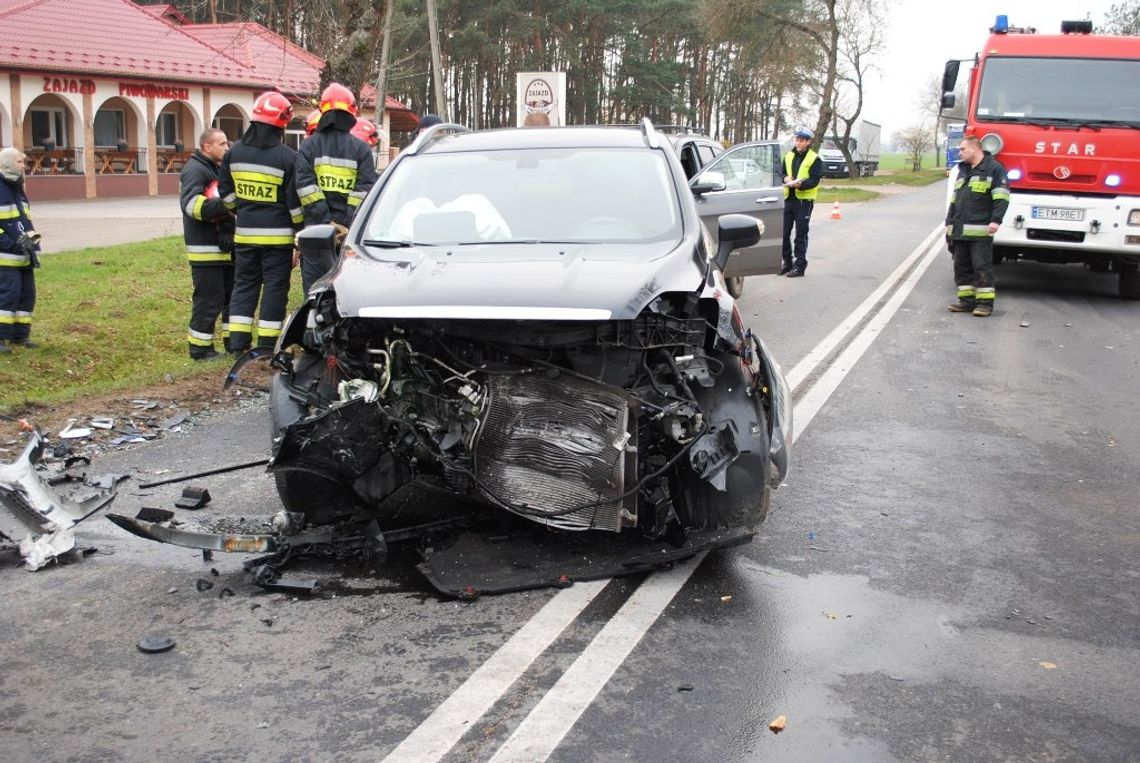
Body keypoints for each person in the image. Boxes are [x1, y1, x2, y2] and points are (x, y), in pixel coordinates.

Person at [219, 91, 303, 353]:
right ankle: (267, 346)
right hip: (277, 240)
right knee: (275, 289)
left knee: (244, 286)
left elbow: (226, 194)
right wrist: (299, 233)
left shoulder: (234, 153)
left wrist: (241, 210)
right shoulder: (288, 157)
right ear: (282, 122)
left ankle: (238, 344)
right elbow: (294, 204)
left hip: (244, 236)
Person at [295, 83, 378, 292]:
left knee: (314, 294)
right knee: (348, 293)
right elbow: (364, 190)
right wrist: (345, 224)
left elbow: (306, 189)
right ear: (352, 111)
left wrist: (325, 224)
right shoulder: (361, 149)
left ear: (322, 111)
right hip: (350, 235)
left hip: (315, 233)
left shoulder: (308, 146)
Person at [180, 128, 234, 360]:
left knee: (229, 298)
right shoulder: (195, 170)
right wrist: (227, 205)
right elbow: (191, 205)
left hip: (223, 248)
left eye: (227, 143)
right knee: (209, 300)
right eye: (221, 144)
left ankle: (234, 345)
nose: (226, 148)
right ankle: (200, 349)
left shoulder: (216, 168)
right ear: (206, 147)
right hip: (205, 249)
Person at [945, 135, 1009, 317]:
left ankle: (984, 304)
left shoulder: (994, 169)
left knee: (982, 267)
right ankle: (966, 302)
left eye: (963, 149)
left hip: (980, 231)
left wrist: (996, 220)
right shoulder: (962, 170)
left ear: (975, 149)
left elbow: (1002, 197)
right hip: (958, 230)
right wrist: (948, 222)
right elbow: (955, 200)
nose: (960, 152)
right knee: (961, 268)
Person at [0, 148, 41, 352]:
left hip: (24, 254)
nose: (23, 166)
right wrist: (11, 242)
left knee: (26, 295)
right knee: (7, 295)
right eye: (19, 162)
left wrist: (33, 243)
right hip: (4, 256)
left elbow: (24, 221)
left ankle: (20, 337)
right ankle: (1, 338)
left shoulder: (17, 188)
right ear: (6, 164)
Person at [780, 126, 822, 278]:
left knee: (800, 234)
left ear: (808, 142)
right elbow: (781, 172)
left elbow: (814, 180)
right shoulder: (788, 156)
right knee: (783, 234)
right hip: (788, 199)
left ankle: (800, 266)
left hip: (804, 201)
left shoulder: (814, 159)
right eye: (797, 139)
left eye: (802, 140)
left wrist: (800, 185)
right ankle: (787, 262)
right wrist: (785, 178)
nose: (798, 142)